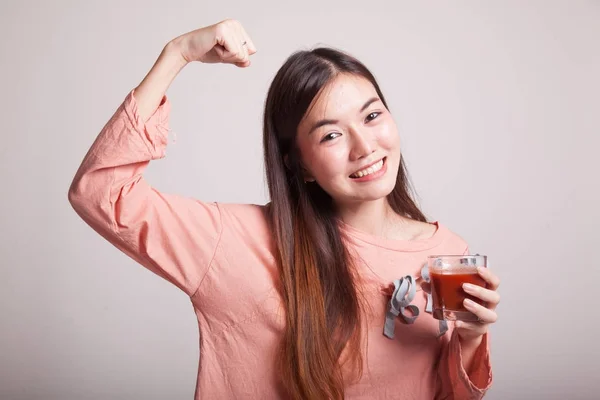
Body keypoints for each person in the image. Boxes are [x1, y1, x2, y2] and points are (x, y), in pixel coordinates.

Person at [68, 19, 499, 400]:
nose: (365, 147)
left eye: (371, 116)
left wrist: (471, 339)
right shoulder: (238, 243)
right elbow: (100, 192)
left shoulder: (447, 253)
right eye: (331, 136)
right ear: (300, 165)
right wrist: (176, 54)